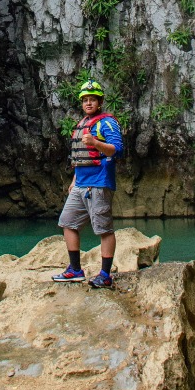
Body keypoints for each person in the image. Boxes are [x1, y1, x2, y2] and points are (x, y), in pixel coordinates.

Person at [52, 79, 124, 288]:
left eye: (92, 99)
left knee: (103, 229)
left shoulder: (106, 123)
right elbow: (79, 157)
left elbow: (117, 149)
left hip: (99, 183)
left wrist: (95, 143)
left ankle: (105, 274)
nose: (89, 103)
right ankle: (75, 270)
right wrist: (74, 180)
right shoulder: (82, 124)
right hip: (81, 183)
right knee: (67, 222)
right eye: (85, 100)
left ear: (100, 102)